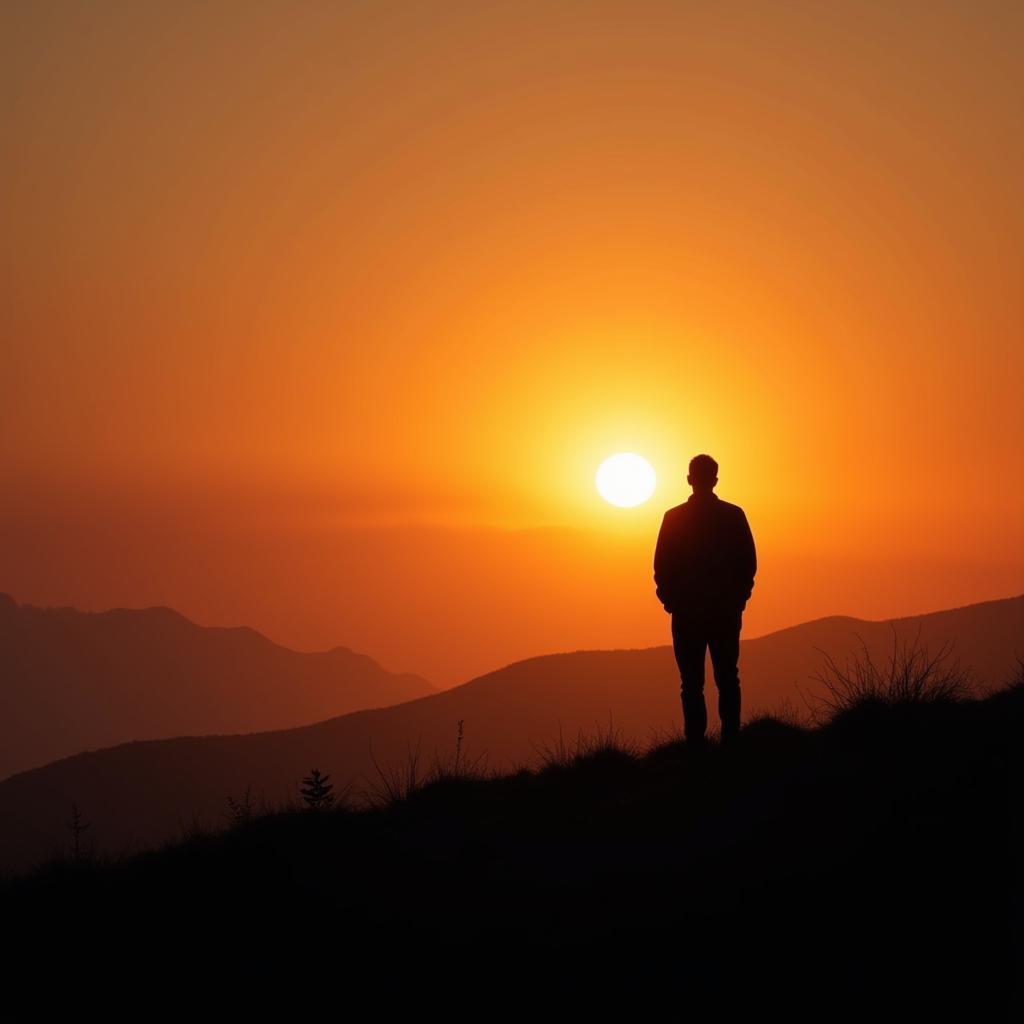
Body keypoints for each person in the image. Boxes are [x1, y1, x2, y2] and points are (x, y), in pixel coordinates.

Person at [653, 454, 756, 748]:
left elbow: (661, 566)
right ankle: (731, 741)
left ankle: (696, 745)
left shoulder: (673, 518)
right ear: (715, 480)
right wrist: (739, 599)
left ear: (689, 479)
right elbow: (748, 563)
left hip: (688, 614)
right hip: (723, 611)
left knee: (691, 683)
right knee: (727, 677)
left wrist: (671, 600)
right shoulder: (733, 515)